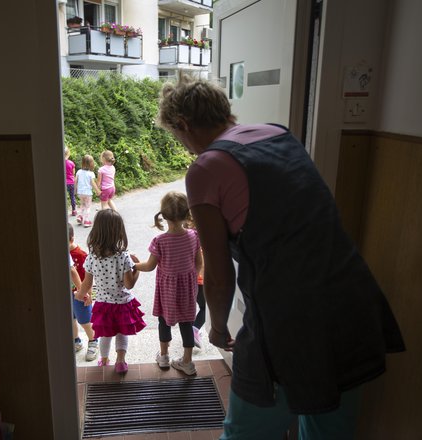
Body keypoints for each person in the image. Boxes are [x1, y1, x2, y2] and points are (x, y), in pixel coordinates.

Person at [157, 76, 405, 439]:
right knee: (329, 428)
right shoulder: (277, 133)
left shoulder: (206, 168)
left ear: (183, 125)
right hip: (352, 300)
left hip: (290, 321)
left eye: (178, 137)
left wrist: (219, 326)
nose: (185, 146)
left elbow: (218, 273)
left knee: (247, 432)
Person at [132, 191, 202, 376]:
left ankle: (163, 357)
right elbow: (199, 264)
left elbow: (149, 266)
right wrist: (190, 278)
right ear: (187, 213)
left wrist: (133, 264)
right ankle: (187, 362)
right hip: (188, 287)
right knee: (187, 322)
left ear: (163, 215)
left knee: (164, 320)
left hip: (167, 289)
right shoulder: (194, 236)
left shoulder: (160, 241)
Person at [78, 209, 145, 374]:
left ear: (96, 232)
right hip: (123, 303)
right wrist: (137, 270)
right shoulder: (123, 256)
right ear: (118, 232)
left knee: (105, 334)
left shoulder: (92, 256)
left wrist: (80, 295)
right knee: (122, 332)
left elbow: (87, 283)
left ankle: (105, 360)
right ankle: (121, 361)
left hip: (103, 304)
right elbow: (129, 285)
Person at [68, 223, 98, 361]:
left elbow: (90, 277)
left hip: (81, 295)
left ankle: (93, 341)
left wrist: (90, 295)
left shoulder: (81, 255)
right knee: (71, 319)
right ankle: (76, 341)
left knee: (85, 321)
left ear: (72, 239)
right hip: (69, 294)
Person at [74, 154, 100, 227]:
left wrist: (75, 191)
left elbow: (75, 181)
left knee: (82, 204)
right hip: (88, 193)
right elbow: (93, 184)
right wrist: (98, 191)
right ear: (91, 164)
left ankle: (80, 216)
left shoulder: (78, 172)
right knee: (88, 206)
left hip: (80, 192)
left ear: (82, 162)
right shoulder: (91, 174)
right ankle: (86, 220)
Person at [64, 146, 77, 217]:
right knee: (72, 197)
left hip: (64, 183)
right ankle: (74, 210)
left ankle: (64, 211)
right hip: (71, 182)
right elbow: (73, 173)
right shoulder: (71, 163)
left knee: (64, 197)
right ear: (68, 154)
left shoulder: (60, 163)